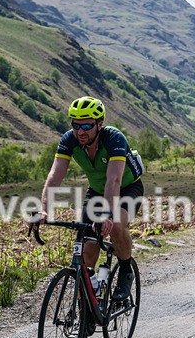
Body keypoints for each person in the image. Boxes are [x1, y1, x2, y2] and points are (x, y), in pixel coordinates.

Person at [36, 96, 144, 303]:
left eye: (87, 125)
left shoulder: (114, 139)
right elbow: (54, 176)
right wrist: (44, 210)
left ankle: (125, 271)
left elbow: (114, 180)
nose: (80, 131)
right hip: (96, 192)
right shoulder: (69, 140)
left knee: (116, 225)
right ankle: (85, 306)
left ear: (100, 124)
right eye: (76, 125)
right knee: (85, 251)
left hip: (127, 188)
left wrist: (106, 214)